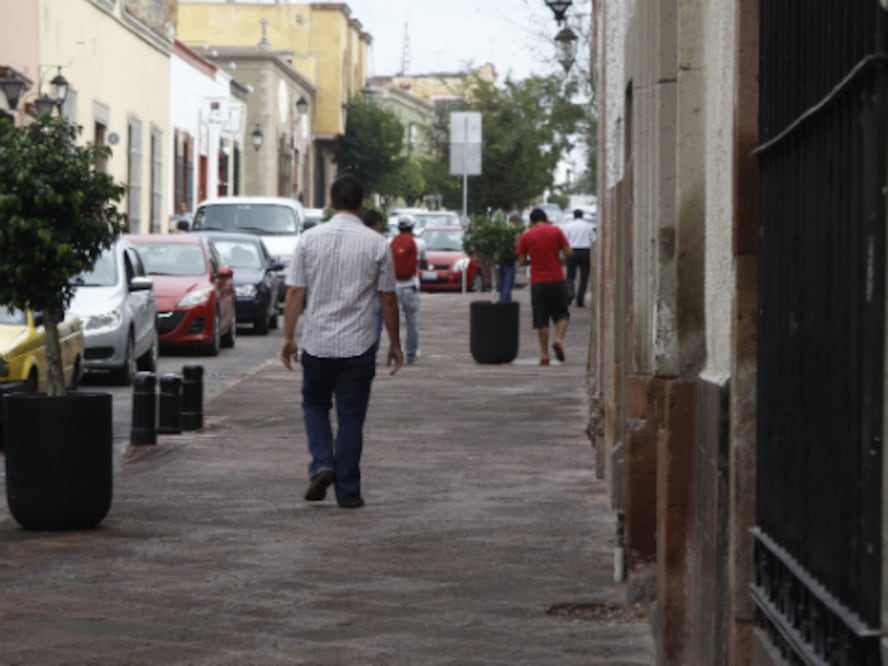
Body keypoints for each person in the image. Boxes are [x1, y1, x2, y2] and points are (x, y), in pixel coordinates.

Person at [280, 174, 403, 509]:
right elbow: (388, 298)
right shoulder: (377, 243)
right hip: (358, 345)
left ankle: (322, 462)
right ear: (361, 204)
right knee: (350, 418)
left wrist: (289, 337)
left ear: (331, 203)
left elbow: (295, 292)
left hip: (318, 341)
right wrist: (395, 343)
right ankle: (348, 492)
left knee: (314, 404)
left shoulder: (309, 240)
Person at [516, 208, 573, 366]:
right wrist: (557, 257)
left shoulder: (526, 235)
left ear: (532, 221)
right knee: (562, 314)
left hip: (538, 281)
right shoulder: (556, 231)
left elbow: (521, 261)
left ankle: (544, 355)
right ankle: (558, 339)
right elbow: (568, 252)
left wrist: (532, 261)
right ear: (545, 218)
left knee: (541, 319)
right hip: (556, 279)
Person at [389, 215, 426, 364]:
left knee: (394, 322)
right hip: (411, 286)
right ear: (412, 227)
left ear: (399, 227)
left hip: (394, 287)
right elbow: (423, 263)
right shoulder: (420, 242)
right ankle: (410, 354)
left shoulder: (391, 242)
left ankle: (396, 349)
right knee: (412, 323)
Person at [362, 208, 386, 352]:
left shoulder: (358, 238)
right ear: (377, 223)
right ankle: (372, 348)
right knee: (376, 318)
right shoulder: (380, 241)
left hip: (359, 287)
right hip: (376, 287)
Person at [562, 209, 595, 307]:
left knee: (570, 275)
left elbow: (565, 240)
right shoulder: (588, 226)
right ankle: (580, 300)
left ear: (574, 216)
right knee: (584, 276)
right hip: (585, 251)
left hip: (572, 251)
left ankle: (570, 294)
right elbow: (593, 239)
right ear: (582, 215)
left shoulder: (568, 226)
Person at [496, 213, 524, 303]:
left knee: (503, 278)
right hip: (509, 258)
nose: (519, 223)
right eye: (518, 221)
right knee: (508, 278)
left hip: (501, 257)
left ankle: (502, 297)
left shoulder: (503, 229)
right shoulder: (514, 231)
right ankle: (505, 299)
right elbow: (517, 244)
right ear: (515, 221)